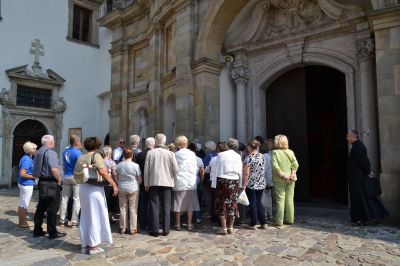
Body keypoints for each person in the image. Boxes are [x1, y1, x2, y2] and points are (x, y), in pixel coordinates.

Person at [74, 137, 118, 255]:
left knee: (86, 216)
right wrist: (113, 183)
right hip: (94, 189)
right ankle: (94, 246)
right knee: (96, 215)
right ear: (97, 146)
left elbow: (77, 174)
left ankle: (85, 244)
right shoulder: (96, 156)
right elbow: (103, 171)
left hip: (83, 188)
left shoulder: (81, 157)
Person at [346, 130, 389, 226]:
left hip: (358, 178)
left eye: (348, 136)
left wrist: (368, 171)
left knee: (359, 199)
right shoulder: (357, 146)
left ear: (353, 136)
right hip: (356, 178)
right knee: (361, 198)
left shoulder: (358, 147)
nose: (347, 138)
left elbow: (364, 161)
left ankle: (360, 219)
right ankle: (362, 218)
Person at [144, 133, 179, 237]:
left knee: (155, 206)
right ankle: (166, 229)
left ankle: (155, 230)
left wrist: (146, 183)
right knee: (166, 206)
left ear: (156, 141)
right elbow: (176, 170)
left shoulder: (150, 153)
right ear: (164, 141)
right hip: (167, 182)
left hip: (154, 182)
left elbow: (146, 171)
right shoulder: (170, 154)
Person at [32, 135, 66, 239]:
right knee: (52, 208)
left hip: (42, 182)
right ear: (50, 142)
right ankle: (52, 232)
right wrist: (59, 180)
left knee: (41, 207)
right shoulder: (51, 152)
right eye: (54, 141)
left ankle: (37, 230)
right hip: (51, 183)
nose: (54, 143)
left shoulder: (38, 152)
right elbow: (54, 169)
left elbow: (35, 172)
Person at [213, 138, 243, 235]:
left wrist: (214, 184)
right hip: (234, 180)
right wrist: (241, 184)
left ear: (227, 145)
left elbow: (215, 170)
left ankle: (224, 228)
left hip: (222, 180)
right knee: (233, 203)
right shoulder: (238, 156)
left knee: (222, 203)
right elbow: (240, 171)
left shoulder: (221, 155)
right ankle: (231, 227)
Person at [172, 137, 200, 230]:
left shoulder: (176, 154)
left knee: (178, 203)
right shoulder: (192, 154)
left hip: (180, 181)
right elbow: (195, 167)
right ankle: (189, 224)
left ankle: (178, 224)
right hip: (190, 181)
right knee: (190, 204)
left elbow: (174, 168)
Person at [271, 134, 299, 227]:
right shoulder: (290, 152)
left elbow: (275, 167)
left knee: (280, 200)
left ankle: (279, 221)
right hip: (291, 179)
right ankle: (290, 219)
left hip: (280, 179)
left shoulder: (275, 152)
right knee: (290, 199)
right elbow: (295, 164)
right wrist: (293, 174)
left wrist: (283, 176)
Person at [116, 147, 141, 235]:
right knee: (133, 208)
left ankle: (123, 227)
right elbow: (139, 179)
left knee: (122, 208)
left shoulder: (119, 165)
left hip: (122, 187)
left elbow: (117, 177)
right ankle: (133, 228)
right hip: (133, 187)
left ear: (123, 155)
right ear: (132, 155)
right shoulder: (135, 165)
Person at [243, 139, 267, 230]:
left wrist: (244, 184)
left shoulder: (249, 158)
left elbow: (246, 173)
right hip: (261, 182)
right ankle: (263, 222)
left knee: (252, 203)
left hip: (252, 183)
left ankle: (253, 224)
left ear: (249, 147)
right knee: (258, 202)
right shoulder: (261, 156)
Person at [60, 134, 82, 227]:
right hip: (75, 176)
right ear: (77, 142)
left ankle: (62, 220)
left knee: (64, 199)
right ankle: (74, 221)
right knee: (76, 199)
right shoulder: (77, 152)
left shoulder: (65, 151)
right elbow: (80, 165)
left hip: (66, 175)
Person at [135, 137, 155, 231]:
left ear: (146, 144)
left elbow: (137, 169)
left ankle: (142, 224)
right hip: (153, 182)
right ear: (153, 144)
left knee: (143, 203)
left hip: (142, 181)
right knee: (153, 204)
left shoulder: (140, 155)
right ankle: (151, 223)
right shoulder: (155, 154)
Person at [17, 141, 37, 228]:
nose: (36, 150)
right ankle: (23, 223)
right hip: (26, 184)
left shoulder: (26, 158)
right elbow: (22, 173)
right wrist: (34, 176)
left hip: (24, 183)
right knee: (24, 204)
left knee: (22, 203)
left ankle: (22, 221)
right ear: (29, 150)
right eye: (34, 149)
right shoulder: (27, 159)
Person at [188, 143, 205, 223]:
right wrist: (202, 180)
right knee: (196, 200)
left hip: (187, 181)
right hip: (196, 181)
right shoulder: (198, 159)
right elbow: (202, 172)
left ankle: (187, 218)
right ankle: (197, 217)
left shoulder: (186, 158)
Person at [101, 146, 118, 224]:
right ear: (109, 153)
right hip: (110, 184)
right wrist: (116, 183)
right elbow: (114, 174)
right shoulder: (112, 162)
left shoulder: (100, 161)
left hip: (101, 184)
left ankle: (103, 217)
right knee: (111, 201)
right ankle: (109, 217)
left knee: (103, 201)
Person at [263, 140, 274, 223]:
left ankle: (265, 214)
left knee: (264, 198)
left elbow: (265, 170)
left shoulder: (263, 157)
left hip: (265, 180)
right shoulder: (271, 156)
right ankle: (270, 214)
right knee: (269, 197)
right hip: (270, 180)